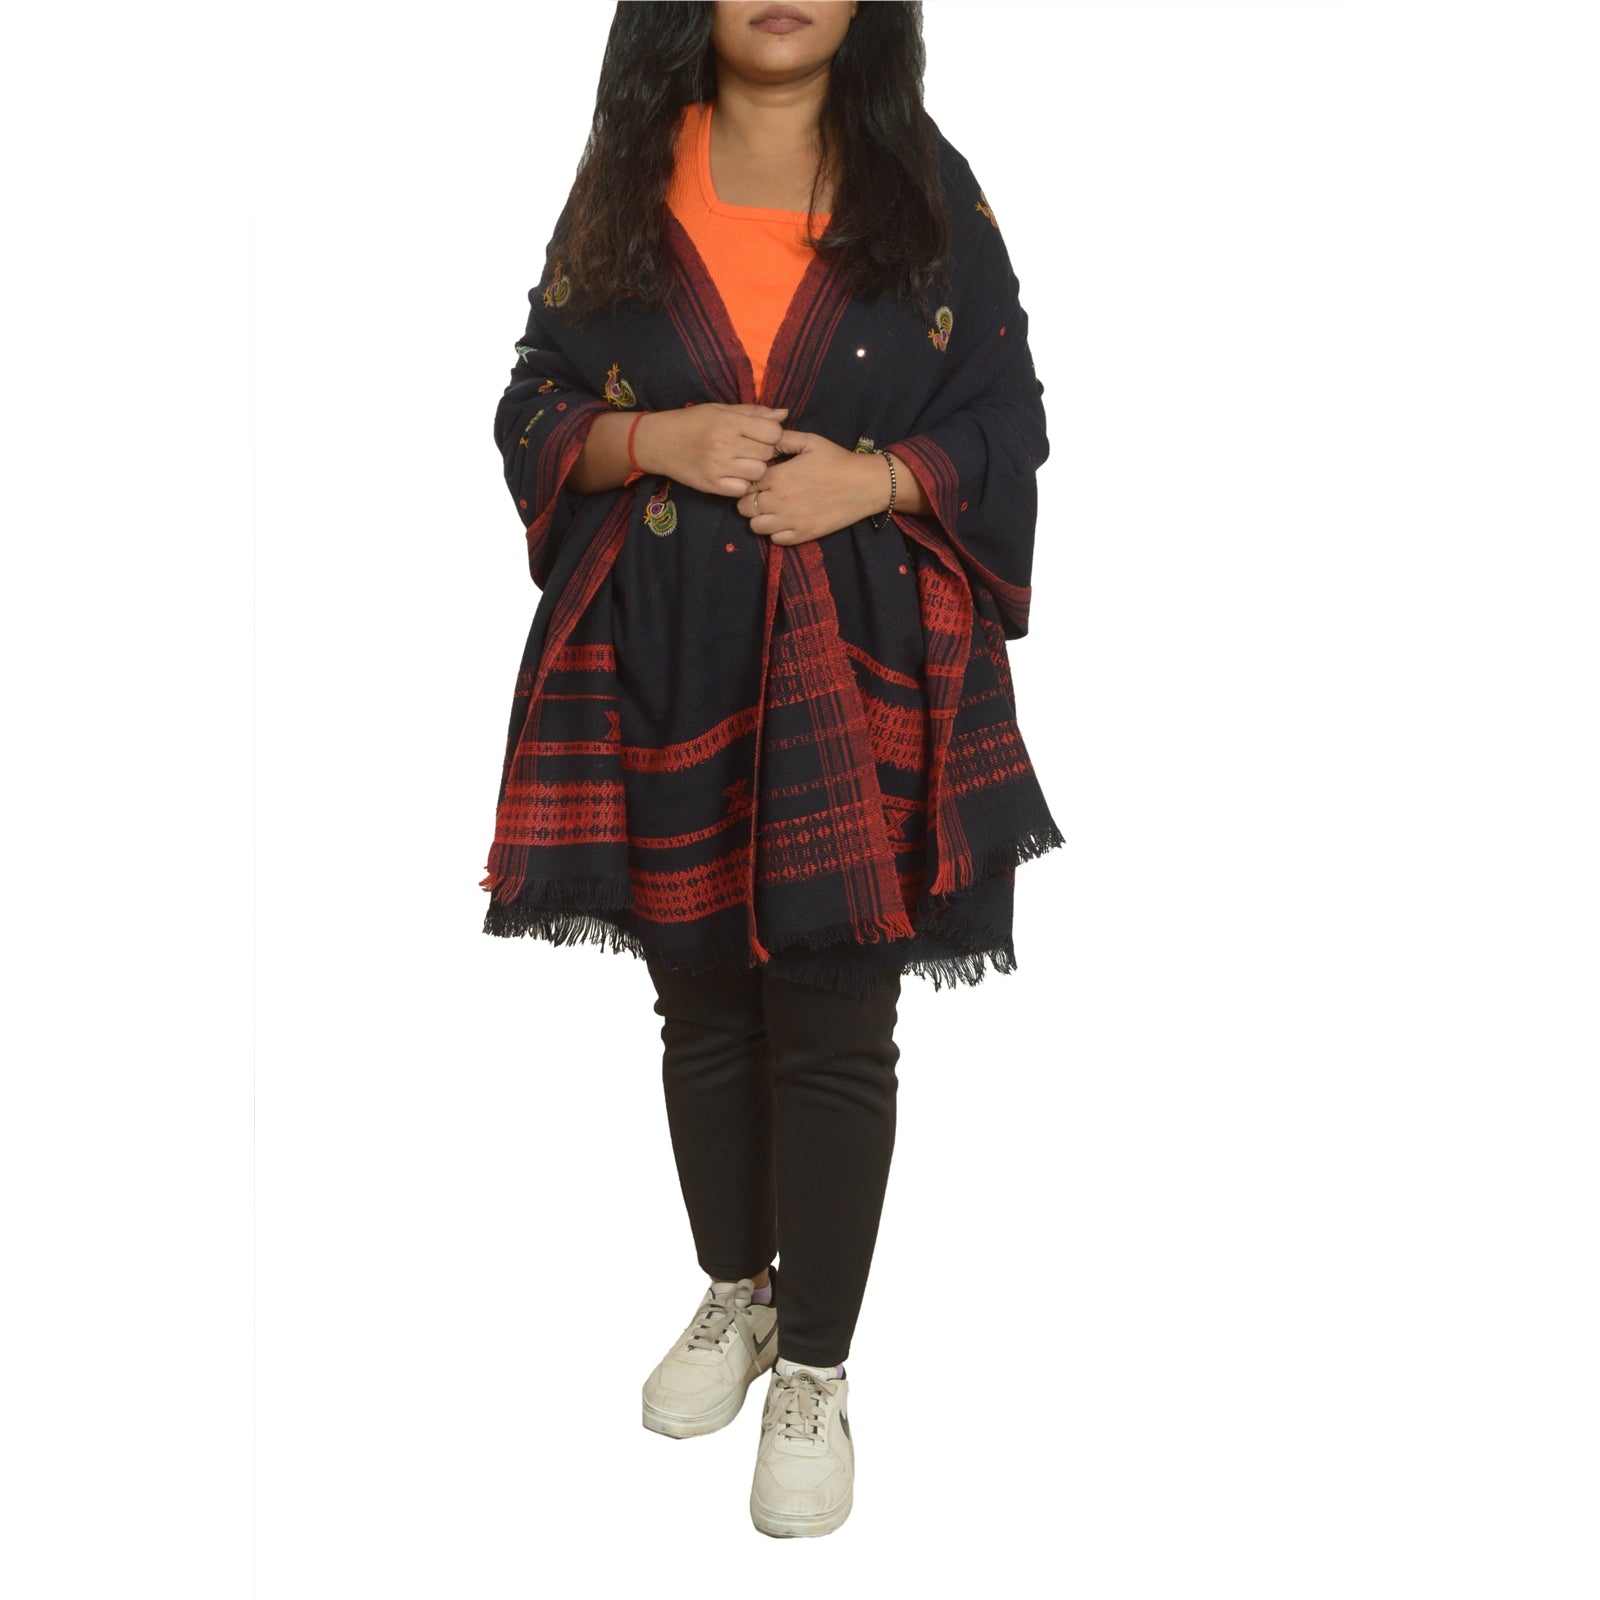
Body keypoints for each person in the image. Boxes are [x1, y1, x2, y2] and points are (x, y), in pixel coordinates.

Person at [478, 0, 1061, 1538]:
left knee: (833, 1020)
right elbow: (532, 401)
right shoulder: (625, 178)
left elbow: (1010, 417)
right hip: (665, 652)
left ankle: (815, 1366)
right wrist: (652, 444)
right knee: (701, 1009)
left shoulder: (923, 186)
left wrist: (878, 478)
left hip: (862, 664)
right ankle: (736, 1290)